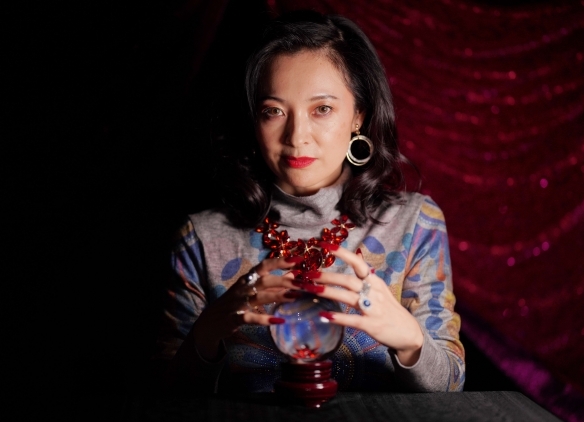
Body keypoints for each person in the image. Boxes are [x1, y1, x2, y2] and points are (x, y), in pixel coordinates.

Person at [155, 9, 465, 393]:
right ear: (253, 121)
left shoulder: (415, 223)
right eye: (273, 111)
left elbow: (451, 386)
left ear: (358, 116)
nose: (297, 136)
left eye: (322, 109)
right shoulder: (201, 238)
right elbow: (164, 399)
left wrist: (410, 338)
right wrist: (208, 331)